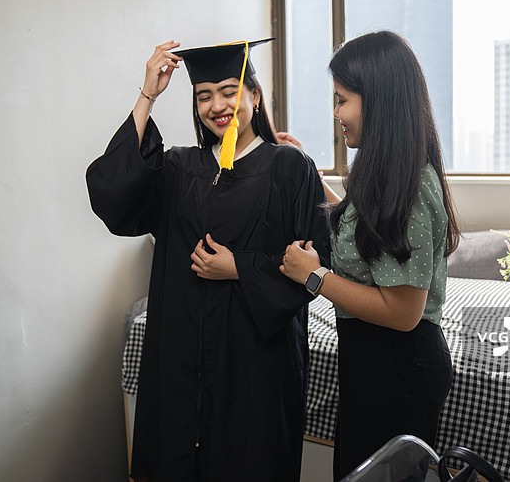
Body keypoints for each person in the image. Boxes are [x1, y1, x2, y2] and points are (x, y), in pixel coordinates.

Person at [86, 38, 331, 481]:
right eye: (203, 95)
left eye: (228, 91)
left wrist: (239, 267)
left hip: (254, 361)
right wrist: (148, 95)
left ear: (253, 96)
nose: (216, 104)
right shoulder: (181, 168)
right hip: (180, 354)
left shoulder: (291, 167)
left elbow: (315, 261)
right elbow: (114, 193)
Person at [279, 30, 461, 480]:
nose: (335, 112)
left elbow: (402, 313)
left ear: (377, 100)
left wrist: (315, 276)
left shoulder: (413, 187)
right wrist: (308, 170)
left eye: (342, 100)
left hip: (399, 367)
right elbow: (358, 224)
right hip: (373, 362)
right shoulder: (385, 172)